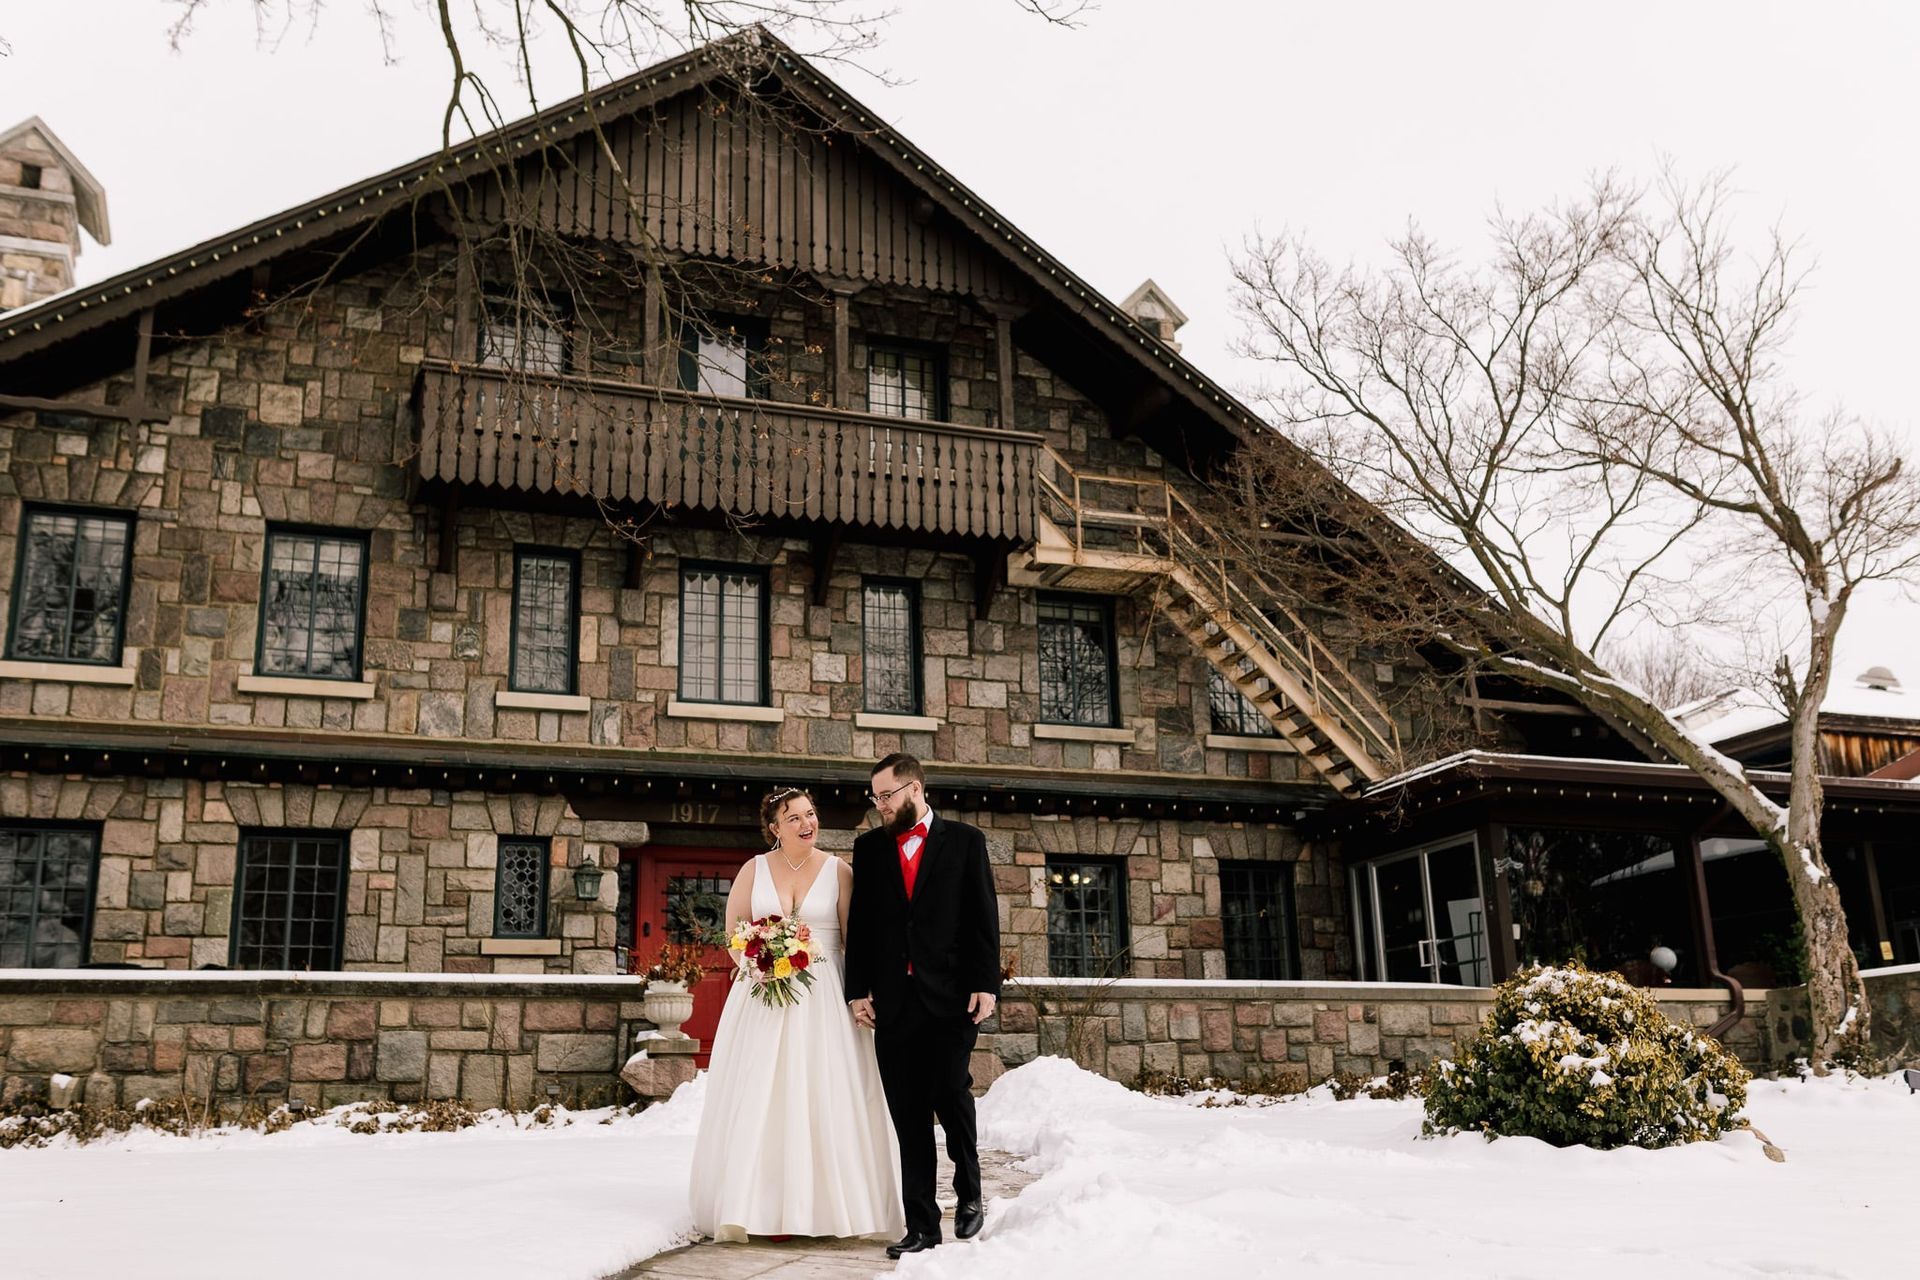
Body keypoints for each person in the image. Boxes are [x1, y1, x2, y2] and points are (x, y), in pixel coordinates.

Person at [687, 786, 904, 1243]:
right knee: (763, 1093)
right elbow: (734, 935)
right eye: (794, 818)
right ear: (774, 828)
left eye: (811, 814)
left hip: (824, 994)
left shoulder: (839, 871)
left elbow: (853, 940)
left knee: (825, 1093)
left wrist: (862, 992)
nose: (807, 824)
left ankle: (827, 1208)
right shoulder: (753, 869)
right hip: (762, 995)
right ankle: (759, 1206)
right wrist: (760, 961)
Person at [843, 753, 1002, 1259]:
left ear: (914, 789)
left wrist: (986, 982)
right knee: (907, 1114)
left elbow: (982, 917)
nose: (879, 807)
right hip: (894, 1000)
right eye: (875, 799)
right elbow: (862, 927)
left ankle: (971, 1193)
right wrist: (856, 990)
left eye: (886, 797)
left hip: (950, 995)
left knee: (952, 1095)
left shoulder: (965, 842)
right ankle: (921, 1225)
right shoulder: (868, 849)